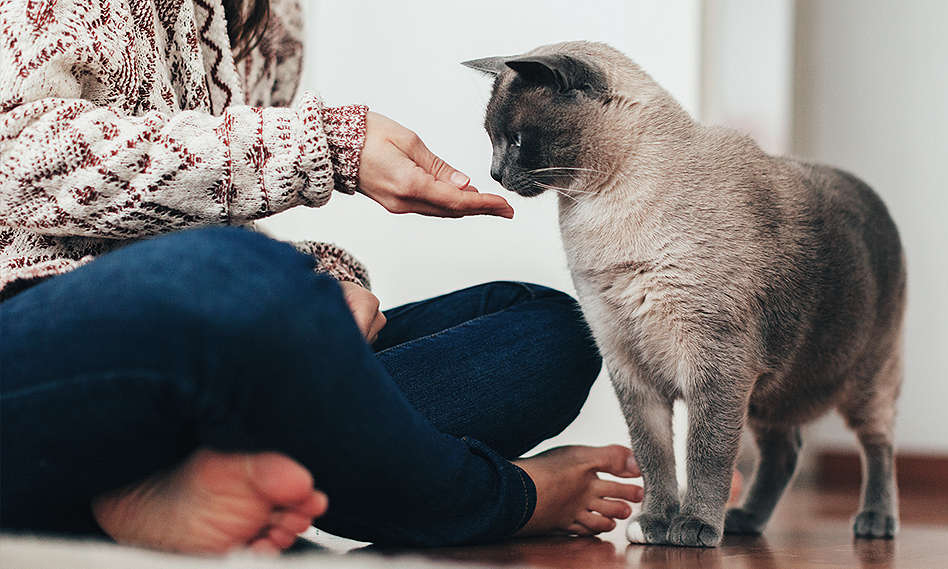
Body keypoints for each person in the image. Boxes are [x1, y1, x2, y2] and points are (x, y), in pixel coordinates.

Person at [0, 0, 645, 554]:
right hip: (41, 333)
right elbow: (21, 161)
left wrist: (321, 288)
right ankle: (498, 498)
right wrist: (329, 147)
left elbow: (202, 207)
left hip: (203, 356)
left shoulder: (271, 18)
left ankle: (169, 473)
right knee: (244, 271)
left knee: (552, 327)